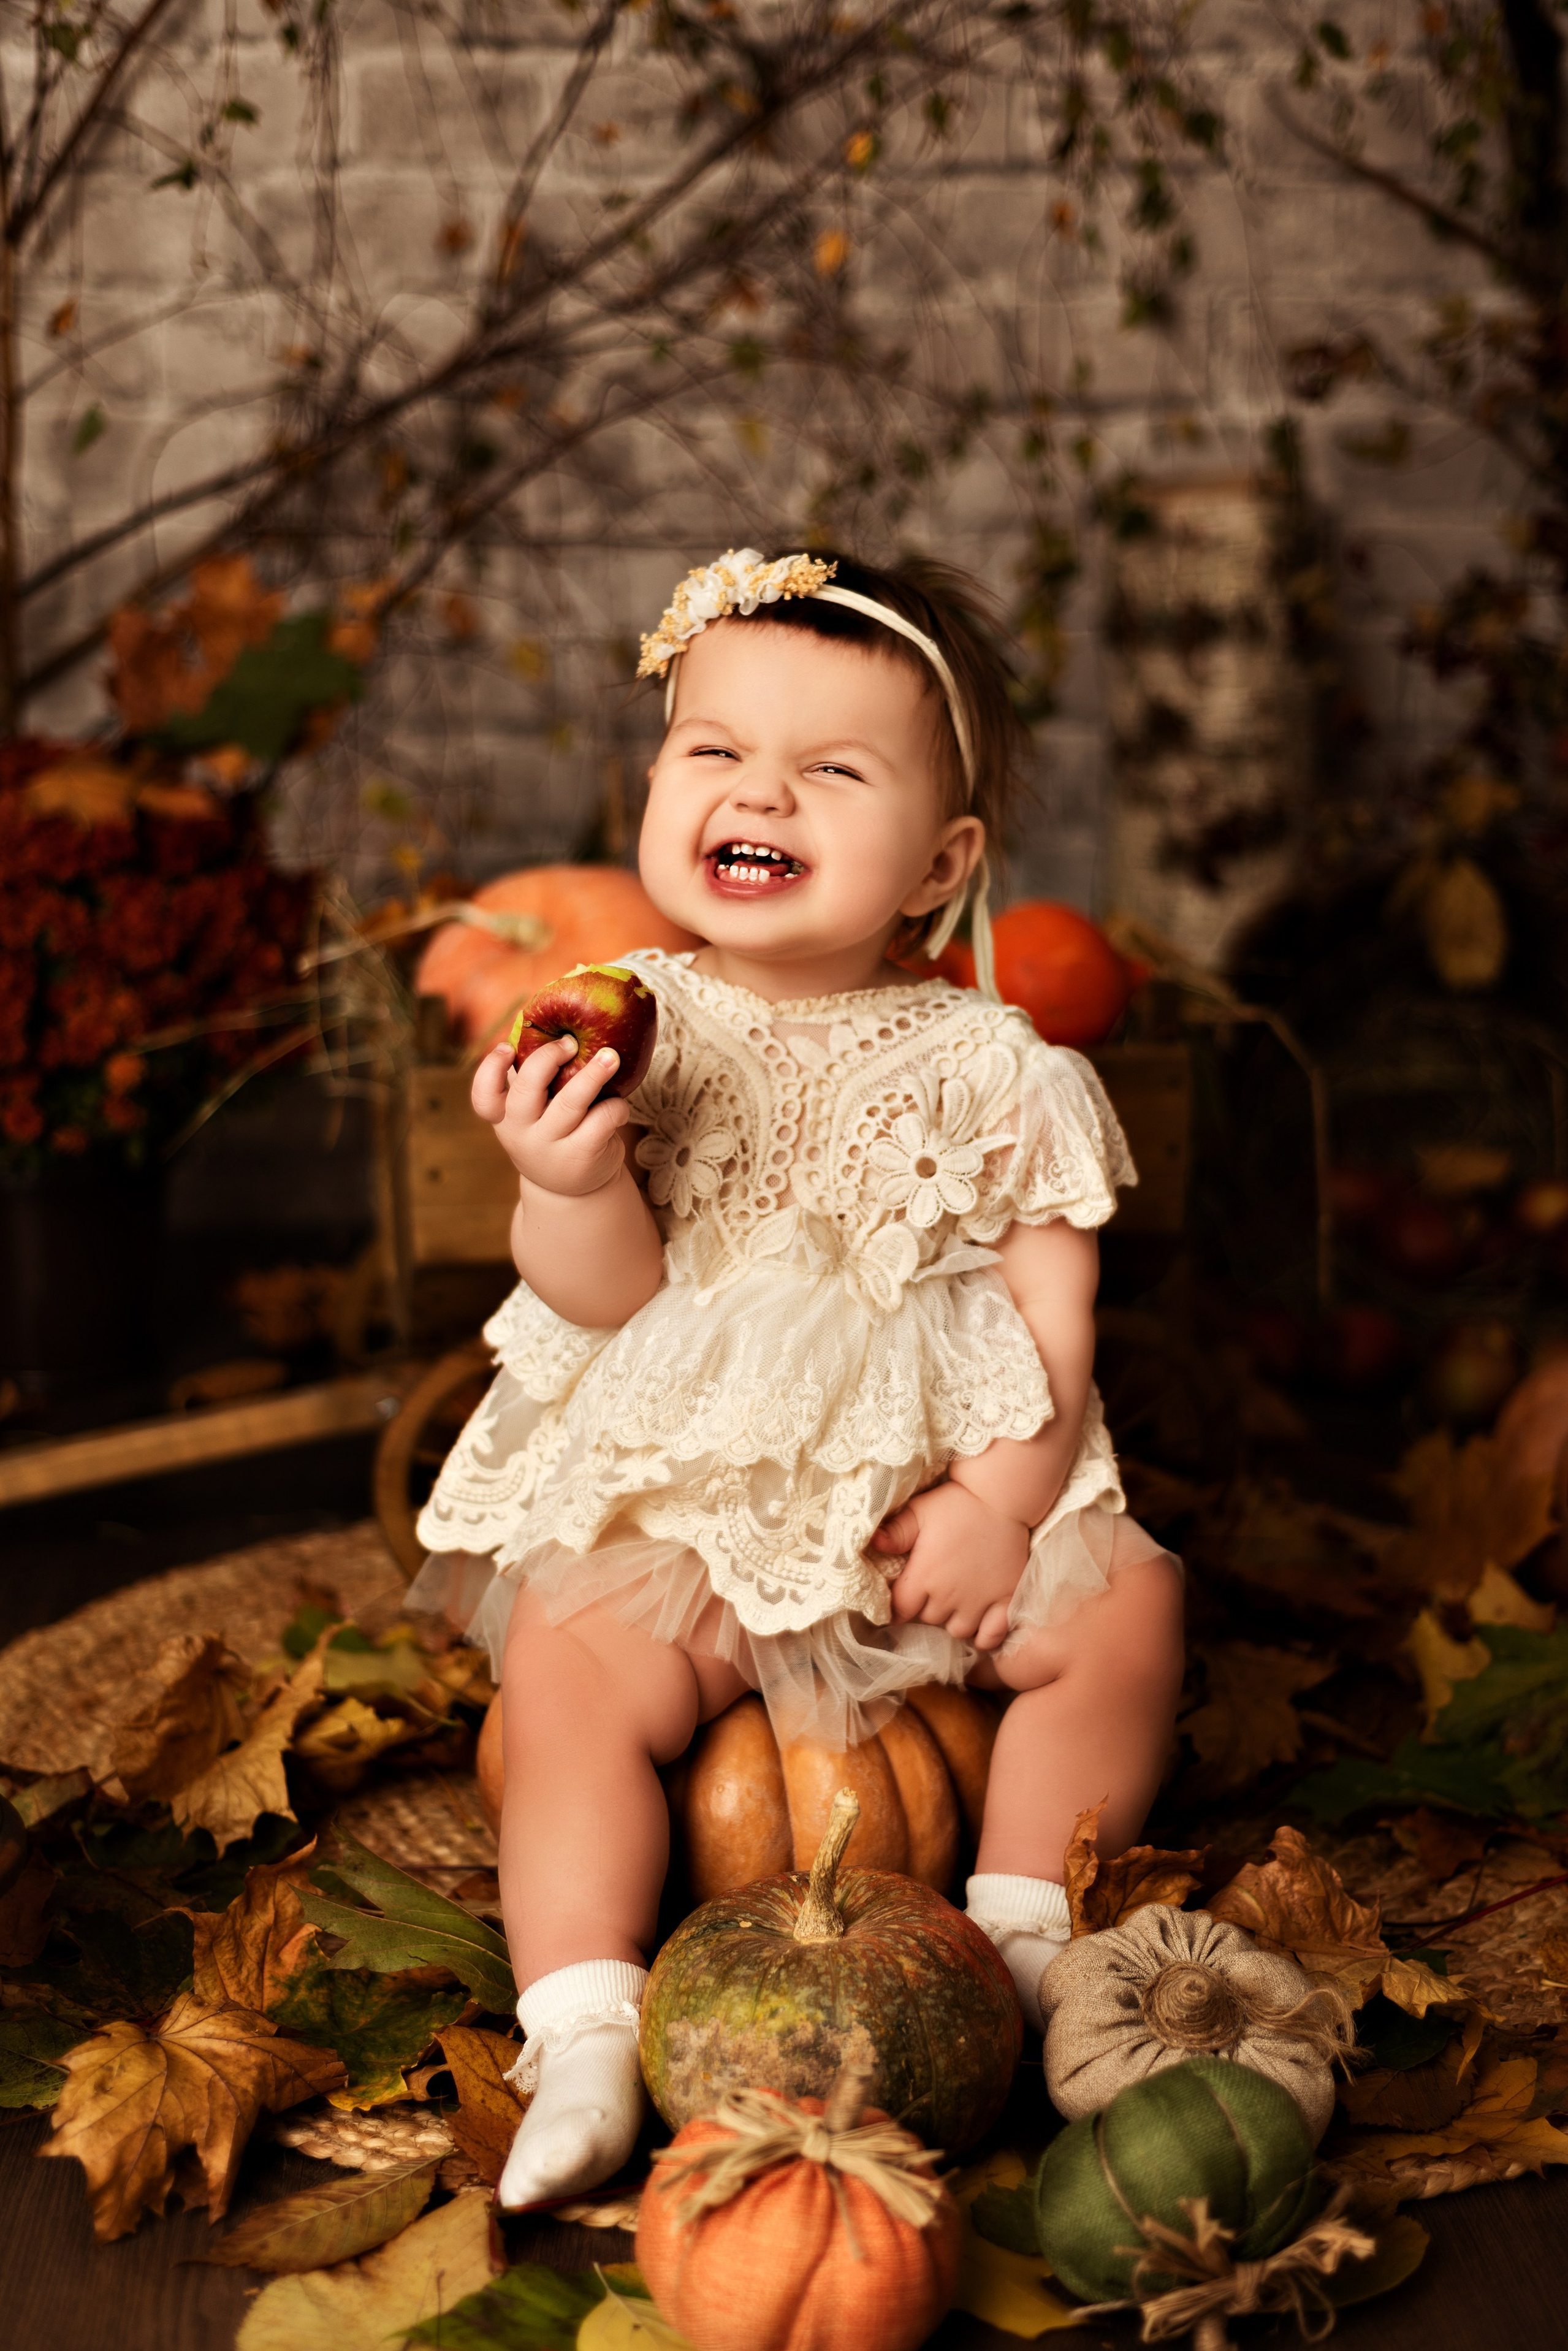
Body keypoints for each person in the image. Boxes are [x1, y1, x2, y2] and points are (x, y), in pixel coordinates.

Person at [411, 547, 1184, 2210]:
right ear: (658, 785)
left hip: (928, 1502)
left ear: (942, 862)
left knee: (1126, 1617)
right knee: (561, 1678)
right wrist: (564, 1180)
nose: (757, 790)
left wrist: (1002, 1504)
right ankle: (587, 2024)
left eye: (831, 769)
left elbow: (1057, 1302)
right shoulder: (630, 1021)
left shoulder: (1000, 1061)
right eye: (713, 750)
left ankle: (1023, 1946)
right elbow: (606, 1298)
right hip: (705, 1500)